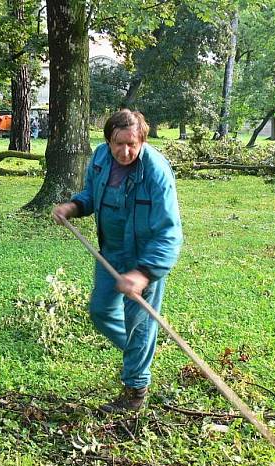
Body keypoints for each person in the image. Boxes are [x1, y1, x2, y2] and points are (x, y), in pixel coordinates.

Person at [52, 109, 183, 413]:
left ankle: (135, 391)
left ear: (142, 141)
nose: (124, 152)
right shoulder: (100, 159)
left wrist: (143, 273)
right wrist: (73, 206)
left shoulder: (156, 172)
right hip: (110, 252)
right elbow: (91, 195)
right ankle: (139, 356)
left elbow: (170, 233)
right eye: (118, 144)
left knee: (138, 326)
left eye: (132, 145)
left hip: (143, 258)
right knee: (100, 311)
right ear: (108, 140)